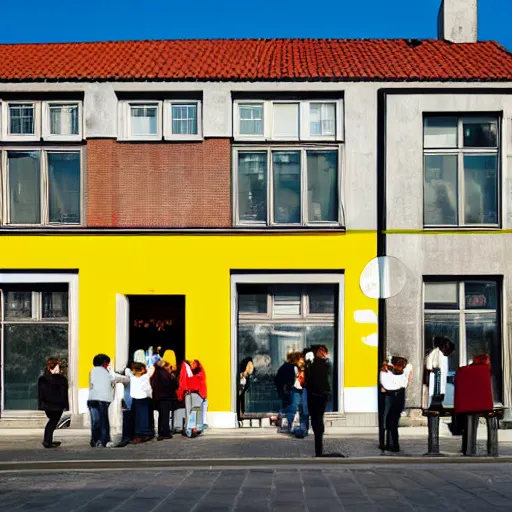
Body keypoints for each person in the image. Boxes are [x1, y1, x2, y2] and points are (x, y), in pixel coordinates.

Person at [305, 345, 339, 457]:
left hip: (317, 395)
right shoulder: (317, 364)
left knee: (317, 420)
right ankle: (318, 449)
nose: (322, 353)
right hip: (318, 395)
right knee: (317, 420)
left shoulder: (319, 364)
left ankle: (318, 449)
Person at [88, 354, 128, 448]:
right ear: (103, 363)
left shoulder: (100, 371)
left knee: (97, 421)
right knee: (101, 421)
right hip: (99, 399)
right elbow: (113, 378)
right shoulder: (98, 372)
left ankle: (98, 440)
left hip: (96, 399)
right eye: (107, 363)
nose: (108, 365)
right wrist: (126, 379)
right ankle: (101, 440)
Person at [379, 357, 413, 453]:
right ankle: (394, 444)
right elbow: (410, 367)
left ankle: (389, 443)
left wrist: (387, 365)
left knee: (388, 420)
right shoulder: (404, 372)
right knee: (394, 421)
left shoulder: (386, 372)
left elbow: (383, 385)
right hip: (400, 395)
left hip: (389, 395)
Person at [37, 358, 69, 449]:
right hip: (57, 406)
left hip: (48, 405)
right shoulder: (62, 379)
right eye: (58, 367)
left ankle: (47, 440)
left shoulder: (42, 379)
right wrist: (66, 406)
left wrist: (40, 405)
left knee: (51, 422)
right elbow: (64, 394)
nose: (59, 369)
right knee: (53, 422)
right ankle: (47, 441)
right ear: (53, 368)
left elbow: (40, 394)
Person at [151, 351, 179, 440]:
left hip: (158, 397)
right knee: (165, 416)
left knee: (161, 415)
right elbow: (173, 384)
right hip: (165, 397)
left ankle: (161, 431)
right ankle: (165, 433)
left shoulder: (155, 373)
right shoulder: (165, 374)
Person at [127, 362, 154, 443]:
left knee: (136, 417)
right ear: (143, 370)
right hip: (145, 399)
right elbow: (151, 369)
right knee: (144, 417)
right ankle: (145, 433)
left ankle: (138, 435)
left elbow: (127, 370)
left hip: (135, 399)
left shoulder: (131, 377)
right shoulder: (145, 377)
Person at [274, 353, 299, 433]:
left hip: (282, 390)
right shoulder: (294, 367)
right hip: (290, 389)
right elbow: (295, 379)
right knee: (291, 407)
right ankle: (289, 425)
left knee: (284, 406)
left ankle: (281, 425)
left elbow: (276, 379)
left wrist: (280, 388)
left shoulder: (282, 367)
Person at [237, 357, 254, 425]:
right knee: (241, 402)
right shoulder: (241, 375)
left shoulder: (247, 377)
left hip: (243, 392)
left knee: (242, 402)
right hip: (241, 393)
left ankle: (241, 417)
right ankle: (241, 417)